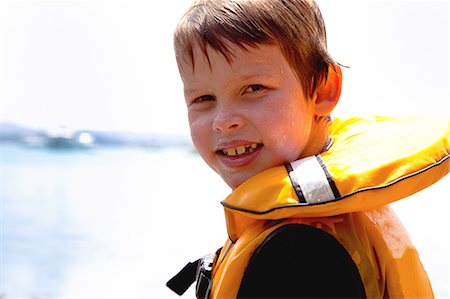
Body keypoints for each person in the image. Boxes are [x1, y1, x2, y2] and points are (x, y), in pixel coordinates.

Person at [167, 0, 449, 298]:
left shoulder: (297, 256)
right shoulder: (339, 214)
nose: (224, 122)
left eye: (254, 89)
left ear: (323, 90)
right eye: (203, 98)